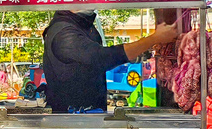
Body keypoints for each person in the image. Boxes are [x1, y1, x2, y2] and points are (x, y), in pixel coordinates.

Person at [41, 10, 178, 113]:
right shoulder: (64, 33)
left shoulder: (82, 24)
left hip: (89, 111)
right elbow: (103, 58)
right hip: (73, 117)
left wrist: (137, 53)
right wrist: (154, 38)